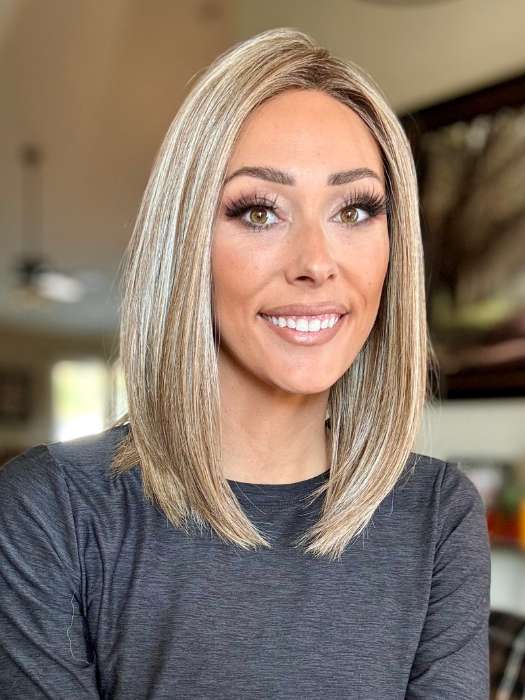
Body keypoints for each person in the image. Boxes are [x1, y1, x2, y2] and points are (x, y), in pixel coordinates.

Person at [0, 27, 490, 699]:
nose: (316, 263)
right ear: (187, 244)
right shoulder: (50, 510)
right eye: (259, 212)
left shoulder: (436, 514)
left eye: (354, 209)